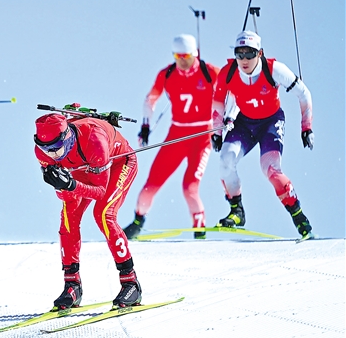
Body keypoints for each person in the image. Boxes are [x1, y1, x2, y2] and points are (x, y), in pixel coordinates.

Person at [211, 30, 314, 238]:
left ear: (260, 53)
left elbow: (304, 93)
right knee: (226, 160)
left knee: (271, 170)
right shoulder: (228, 72)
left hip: (270, 123)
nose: (244, 59)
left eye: (249, 53)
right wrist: (217, 130)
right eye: (239, 53)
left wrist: (306, 127)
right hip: (244, 124)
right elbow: (218, 102)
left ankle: (298, 216)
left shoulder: (274, 69)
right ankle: (237, 212)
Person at [35, 113, 142, 310]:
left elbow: (100, 192)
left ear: (67, 137)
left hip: (118, 163)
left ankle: (131, 283)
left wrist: (70, 184)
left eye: (56, 147)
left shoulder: (95, 140)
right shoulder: (44, 153)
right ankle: (72, 285)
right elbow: (66, 198)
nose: (53, 154)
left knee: (103, 214)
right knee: (68, 217)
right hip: (83, 168)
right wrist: (61, 186)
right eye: (46, 148)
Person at [123, 35, 220, 239]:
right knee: (151, 184)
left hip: (202, 137)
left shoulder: (210, 72)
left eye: (186, 56)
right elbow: (150, 100)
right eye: (177, 56)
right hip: (177, 136)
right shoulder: (167, 74)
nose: (182, 61)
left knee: (189, 188)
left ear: (195, 54)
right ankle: (138, 221)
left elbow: (230, 93)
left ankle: (199, 229)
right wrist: (145, 126)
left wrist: (226, 121)